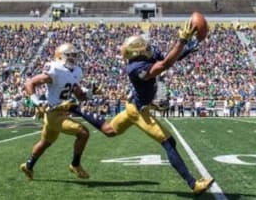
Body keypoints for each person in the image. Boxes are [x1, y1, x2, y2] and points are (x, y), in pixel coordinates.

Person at [72, 22, 215, 195]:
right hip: (138, 110)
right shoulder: (134, 68)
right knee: (168, 142)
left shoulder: (144, 56)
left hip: (135, 105)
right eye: (142, 47)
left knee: (109, 130)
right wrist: (181, 41)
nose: (147, 47)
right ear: (136, 53)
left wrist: (191, 45)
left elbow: (168, 58)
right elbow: (164, 65)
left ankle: (77, 109)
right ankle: (194, 184)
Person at [19, 43, 91, 181]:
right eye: (70, 55)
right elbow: (29, 83)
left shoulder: (77, 71)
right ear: (60, 56)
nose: (73, 58)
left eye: (75, 55)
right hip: (53, 113)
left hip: (60, 113)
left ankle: (28, 166)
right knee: (83, 133)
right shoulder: (55, 69)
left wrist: (91, 93)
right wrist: (37, 102)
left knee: (45, 142)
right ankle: (75, 165)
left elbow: (79, 95)